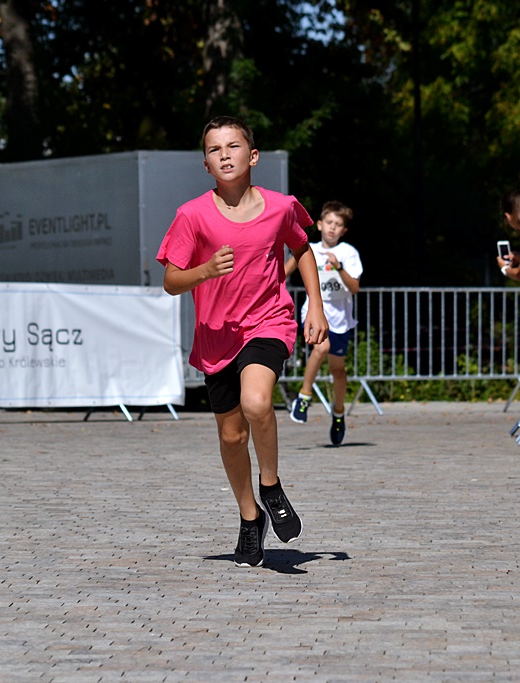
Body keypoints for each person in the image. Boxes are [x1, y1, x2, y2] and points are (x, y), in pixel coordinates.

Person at [157, 115, 327, 568]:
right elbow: (171, 280)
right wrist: (205, 270)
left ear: (252, 156)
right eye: (215, 150)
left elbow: (302, 248)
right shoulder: (191, 215)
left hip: (268, 322)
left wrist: (315, 305)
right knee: (232, 437)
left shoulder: (281, 207)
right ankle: (250, 517)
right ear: (206, 165)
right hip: (216, 336)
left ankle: (270, 485)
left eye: (233, 146)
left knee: (257, 402)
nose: (225, 155)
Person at [284, 201, 363, 445]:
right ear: (319, 225)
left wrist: (338, 267)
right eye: (329, 222)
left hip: (340, 319)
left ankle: (338, 413)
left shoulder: (348, 253)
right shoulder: (309, 249)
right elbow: (283, 272)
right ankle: (304, 396)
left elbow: (354, 287)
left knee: (338, 370)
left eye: (337, 225)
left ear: (343, 231)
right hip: (314, 311)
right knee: (321, 348)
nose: (332, 228)